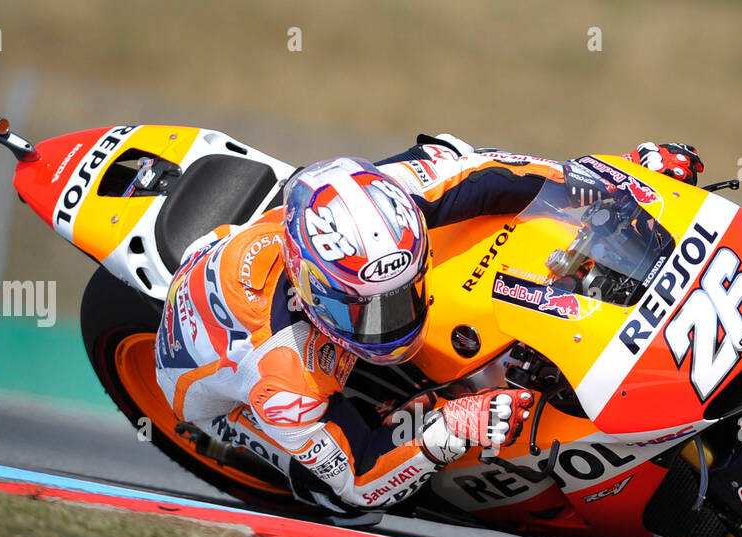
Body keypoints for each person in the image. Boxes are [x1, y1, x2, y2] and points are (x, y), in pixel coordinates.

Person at [155, 135, 703, 512]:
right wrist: (451, 429)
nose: (392, 321)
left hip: (289, 255)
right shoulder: (280, 373)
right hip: (218, 390)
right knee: (344, 507)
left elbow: (498, 174)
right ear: (311, 289)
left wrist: (620, 180)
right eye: (368, 311)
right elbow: (361, 479)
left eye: (400, 295)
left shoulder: (398, 195)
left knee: (450, 153)